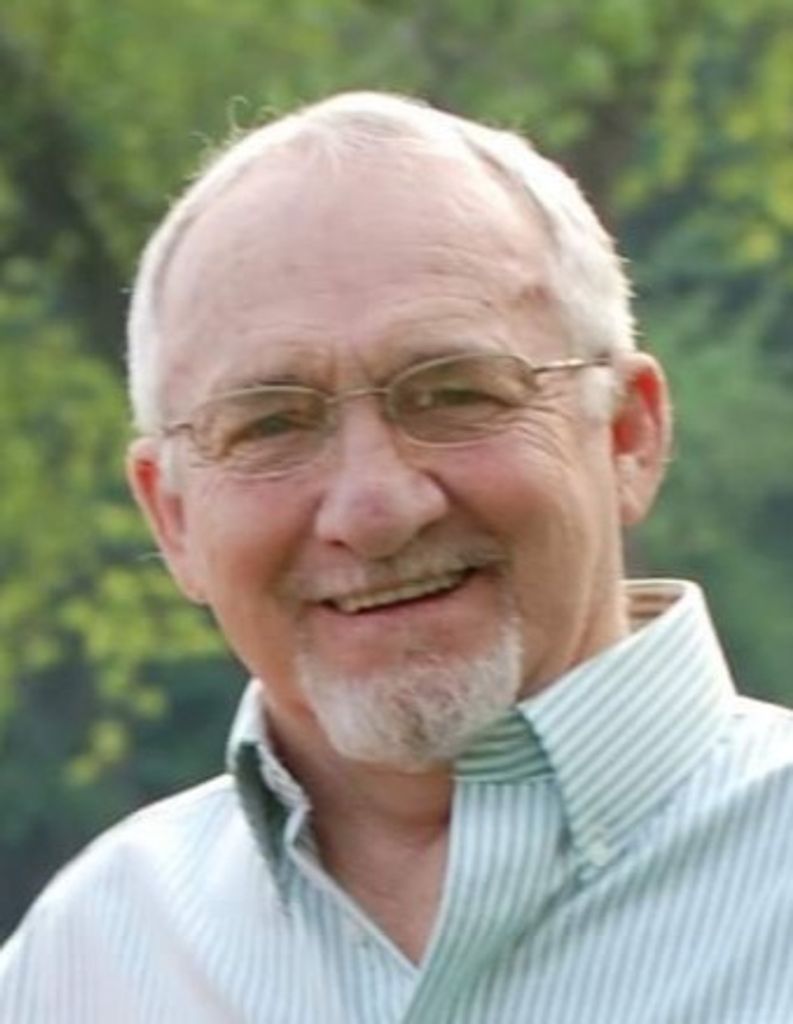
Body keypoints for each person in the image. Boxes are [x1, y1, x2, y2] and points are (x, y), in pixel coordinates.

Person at [1, 91, 792, 1023]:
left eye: (453, 394)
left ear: (627, 435)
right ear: (172, 520)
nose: (373, 510)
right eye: (271, 424)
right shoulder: (86, 963)